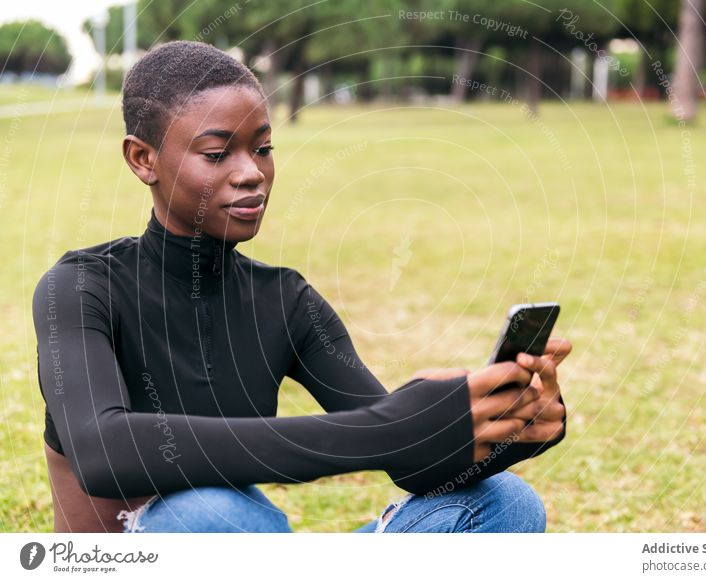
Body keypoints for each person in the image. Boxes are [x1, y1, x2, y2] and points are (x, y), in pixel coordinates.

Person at [32, 40, 569, 533]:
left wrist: (511, 427)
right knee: (208, 512)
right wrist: (389, 425)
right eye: (218, 154)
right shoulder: (79, 288)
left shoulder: (284, 301)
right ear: (143, 159)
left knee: (505, 502)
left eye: (262, 149)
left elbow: (409, 459)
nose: (251, 174)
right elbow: (103, 452)